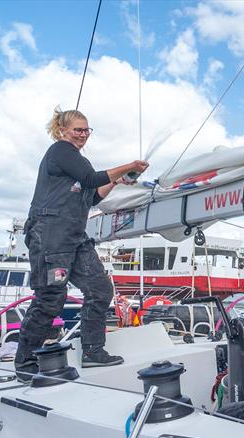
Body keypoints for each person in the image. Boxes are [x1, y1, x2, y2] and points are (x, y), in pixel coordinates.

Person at [14, 108, 149, 381]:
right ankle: (25, 363)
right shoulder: (61, 152)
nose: (83, 134)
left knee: (100, 290)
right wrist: (129, 166)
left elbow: (92, 196)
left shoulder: (75, 162)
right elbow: (90, 178)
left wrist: (117, 180)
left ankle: (92, 351)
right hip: (51, 237)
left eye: (87, 130)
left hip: (75, 238)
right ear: (63, 131)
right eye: (78, 129)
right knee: (51, 298)